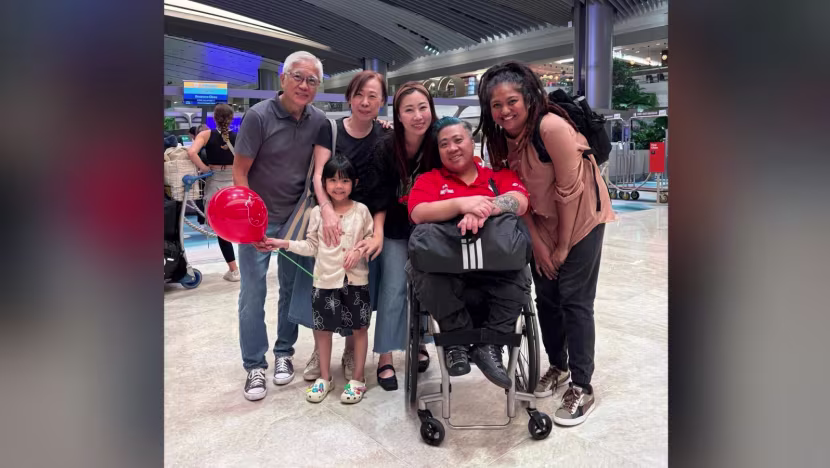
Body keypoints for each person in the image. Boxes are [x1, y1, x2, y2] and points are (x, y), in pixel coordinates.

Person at [476, 61, 615, 426]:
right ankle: (559, 366)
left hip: (581, 220)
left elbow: (570, 192)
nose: (505, 111)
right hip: (541, 221)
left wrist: (562, 246)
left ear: (528, 98)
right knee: (547, 297)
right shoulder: (499, 139)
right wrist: (538, 244)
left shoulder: (551, 127)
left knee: (575, 299)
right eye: (496, 105)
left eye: (511, 101)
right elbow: (515, 196)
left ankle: (582, 385)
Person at [407, 117, 531, 389]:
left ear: (471, 141)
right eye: (444, 144)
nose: (452, 148)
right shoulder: (430, 180)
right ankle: (457, 341)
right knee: (419, 269)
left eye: (458, 140)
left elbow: (520, 201)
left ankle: (491, 346)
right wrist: (462, 204)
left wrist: (484, 209)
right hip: (447, 275)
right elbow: (418, 212)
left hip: (496, 273)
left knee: (521, 270)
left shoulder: (497, 176)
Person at [232, 50, 327, 401]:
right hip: (258, 218)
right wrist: (250, 223)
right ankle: (254, 365)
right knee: (252, 292)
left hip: (297, 218)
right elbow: (240, 172)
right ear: (283, 78)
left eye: (312, 80)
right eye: (298, 77)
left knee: (291, 289)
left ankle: (284, 352)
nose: (304, 85)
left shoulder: (320, 121)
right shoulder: (258, 116)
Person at [300, 71, 389, 385]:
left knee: (356, 289)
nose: (365, 102)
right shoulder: (331, 128)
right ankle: (319, 350)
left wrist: (376, 233)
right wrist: (326, 210)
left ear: (382, 101)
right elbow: (318, 174)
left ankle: (351, 351)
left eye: (372, 96)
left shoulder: (385, 136)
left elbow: (383, 192)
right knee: (323, 287)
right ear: (349, 97)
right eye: (359, 94)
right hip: (331, 220)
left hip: (362, 222)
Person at [265, 156, 373, 404]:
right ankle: (324, 378)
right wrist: (284, 243)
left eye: (344, 180)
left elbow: (370, 239)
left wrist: (359, 251)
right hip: (324, 282)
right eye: (332, 180)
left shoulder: (362, 211)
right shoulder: (316, 213)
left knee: (359, 329)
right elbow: (311, 245)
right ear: (323, 184)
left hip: (356, 282)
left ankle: (358, 379)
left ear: (354, 183)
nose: (338, 186)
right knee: (322, 331)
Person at [362, 82, 439, 390]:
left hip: (430, 227)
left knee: (426, 287)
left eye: (423, 108)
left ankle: (420, 342)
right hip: (394, 227)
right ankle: (385, 356)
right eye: (409, 110)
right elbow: (378, 194)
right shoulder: (385, 146)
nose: (418, 116)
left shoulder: (438, 142)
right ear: (398, 115)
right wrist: (378, 233)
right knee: (393, 288)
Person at [187, 103, 240, 282]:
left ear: (214, 118)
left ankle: (234, 270)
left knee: (221, 229)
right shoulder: (240, 136)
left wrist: (204, 168)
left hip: (214, 183)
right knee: (241, 226)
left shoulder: (205, 135)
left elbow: (191, 152)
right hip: (235, 185)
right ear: (231, 118)